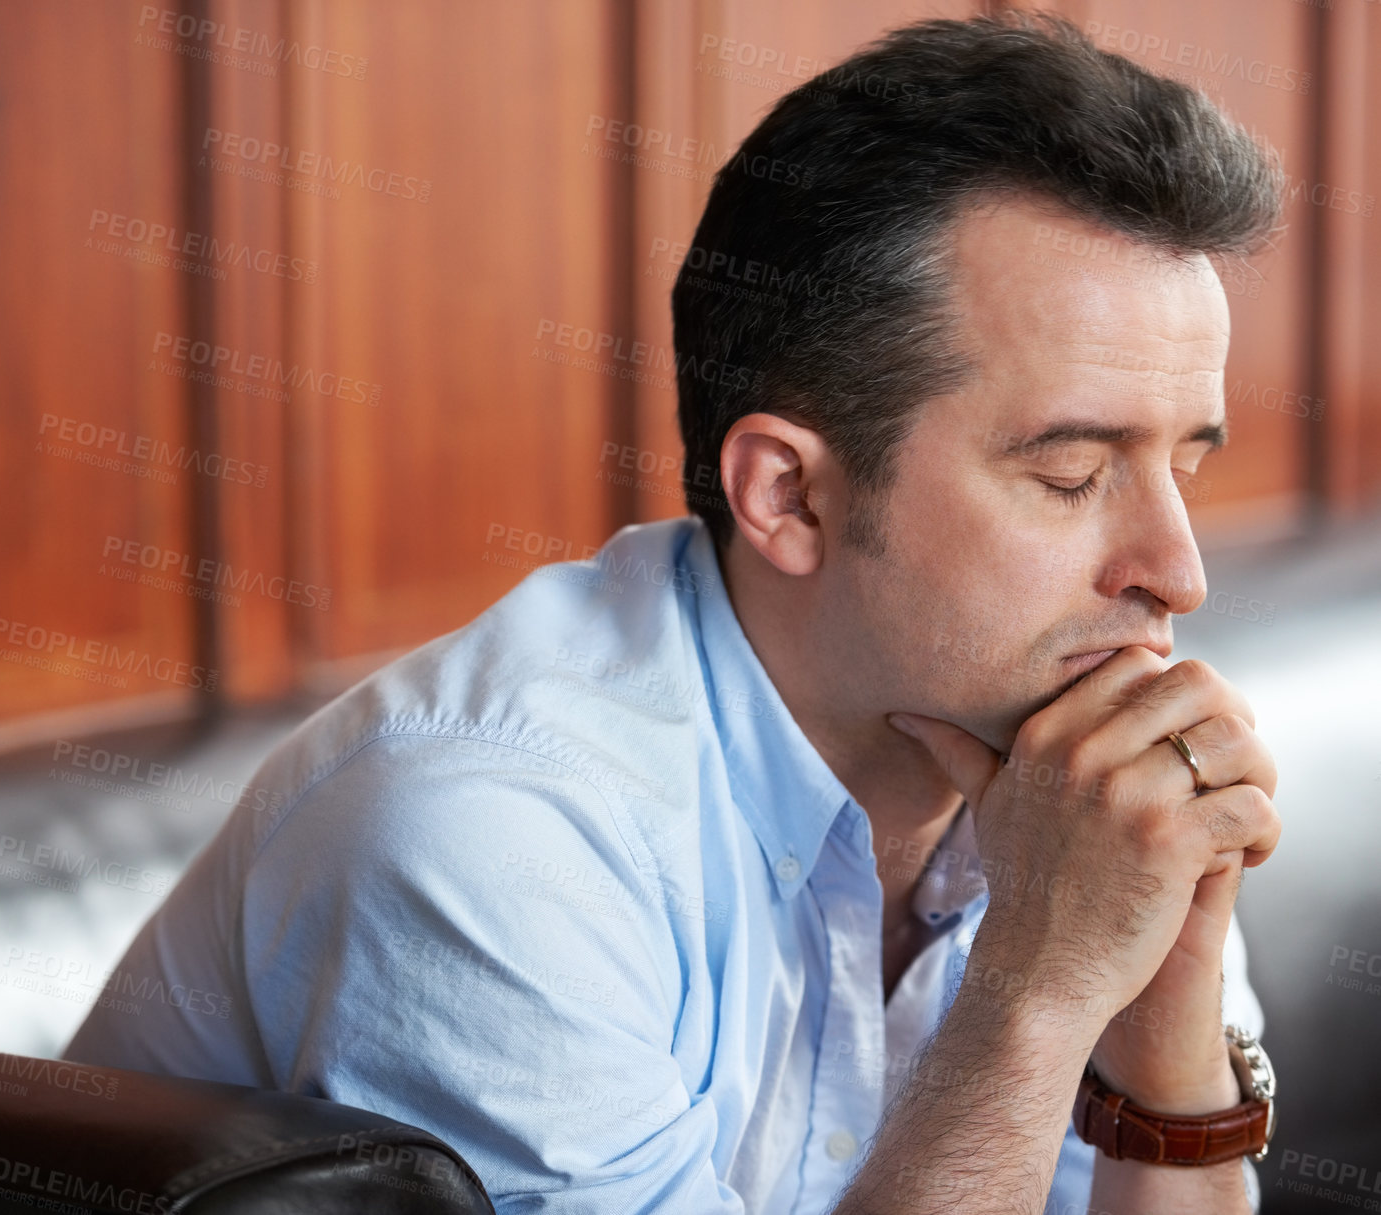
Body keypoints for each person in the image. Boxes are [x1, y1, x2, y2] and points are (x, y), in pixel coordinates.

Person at [65, 11, 1285, 1212]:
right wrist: (1042, 985)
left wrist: (1168, 1030)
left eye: (1186, 467)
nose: (1178, 573)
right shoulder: (485, 834)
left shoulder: (1078, 775)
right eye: (1072, 476)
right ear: (789, 495)